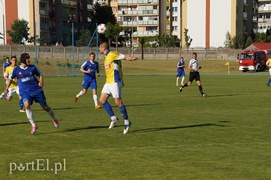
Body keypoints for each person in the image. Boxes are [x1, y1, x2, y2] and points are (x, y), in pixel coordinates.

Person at [4, 53, 59, 134]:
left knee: (45, 107)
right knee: (27, 105)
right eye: (27, 59)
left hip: (37, 91)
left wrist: (41, 82)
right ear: (23, 60)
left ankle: (54, 118)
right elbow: (10, 79)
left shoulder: (32, 68)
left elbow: (40, 75)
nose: (29, 60)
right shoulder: (16, 70)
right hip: (25, 92)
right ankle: (33, 125)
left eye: (29, 58)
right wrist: (6, 88)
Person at [98, 42, 138, 134]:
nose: (99, 49)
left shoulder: (113, 54)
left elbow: (124, 57)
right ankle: (114, 118)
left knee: (118, 102)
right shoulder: (106, 57)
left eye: (100, 48)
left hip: (115, 82)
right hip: (108, 82)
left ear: (103, 48)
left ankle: (127, 122)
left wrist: (131, 58)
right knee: (102, 100)